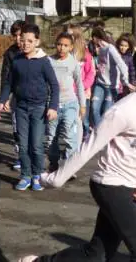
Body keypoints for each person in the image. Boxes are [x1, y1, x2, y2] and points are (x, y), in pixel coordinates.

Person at [18, 42, 136, 262]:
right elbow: (89, 146)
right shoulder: (124, 110)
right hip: (112, 185)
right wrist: (57, 178)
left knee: (96, 255)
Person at [0, 23, 59, 191]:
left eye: (30, 41)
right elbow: (9, 83)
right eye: (23, 40)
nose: (25, 44)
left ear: (37, 42)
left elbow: (54, 85)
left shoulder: (43, 61)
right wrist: (3, 100)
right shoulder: (17, 60)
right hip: (21, 108)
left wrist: (53, 107)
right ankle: (25, 175)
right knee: (23, 145)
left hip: (39, 109)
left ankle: (37, 175)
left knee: (36, 145)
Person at [46, 33, 87, 172]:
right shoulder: (48, 61)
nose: (61, 48)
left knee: (70, 135)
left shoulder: (73, 62)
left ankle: (70, 167)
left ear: (70, 47)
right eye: (59, 44)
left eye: (65, 45)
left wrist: (82, 105)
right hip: (53, 105)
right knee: (52, 136)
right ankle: (53, 162)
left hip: (70, 103)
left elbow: (79, 84)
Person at [90, 27, 133, 128]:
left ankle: (105, 134)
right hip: (99, 84)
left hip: (111, 87)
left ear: (96, 38)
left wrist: (125, 81)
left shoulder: (110, 49)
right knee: (94, 107)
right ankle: (98, 132)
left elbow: (122, 65)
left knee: (107, 113)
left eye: (93, 38)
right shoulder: (98, 49)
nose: (92, 41)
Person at [0, 20, 25, 170]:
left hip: (34, 99)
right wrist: (4, 98)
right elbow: (5, 76)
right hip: (16, 96)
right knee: (16, 128)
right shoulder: (10, 53)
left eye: (20, 35)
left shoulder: (37, 53)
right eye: (15, 36)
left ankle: (32, 156)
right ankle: (20, 156)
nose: (18, 39)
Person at [67, 25, 95, 137]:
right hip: (68, 93)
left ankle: (85, 140)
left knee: (83, 120)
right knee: (71, 120)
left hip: (83, 93)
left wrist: (82, 85)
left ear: (76, 37)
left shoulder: (86, 55)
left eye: (70, 35)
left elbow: (91, 73)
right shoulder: (65, 54)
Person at [115, 34, 136, 101]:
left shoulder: (130, 58)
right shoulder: (115, 55)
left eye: (125, 46)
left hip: (125, 86)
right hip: (114, 84)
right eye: (121, 45)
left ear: (129, 46)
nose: (123, 48)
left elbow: (132, 72)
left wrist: (132, 84)